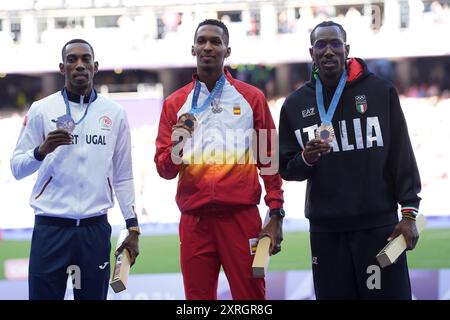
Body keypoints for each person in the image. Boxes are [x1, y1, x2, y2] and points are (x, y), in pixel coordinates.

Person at [278, 21, 421, 300]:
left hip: (379, 229)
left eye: (335, 43)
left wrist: (410, 212)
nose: (328, 51)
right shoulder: (294, 105)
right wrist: (306, 158)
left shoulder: (381, 92)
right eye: (321, 45)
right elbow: (286, 168)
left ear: (347, 49)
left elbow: (401, 154)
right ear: (312, 53)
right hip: (326, 233)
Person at [154, 19, 284, 300]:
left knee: (251, 300)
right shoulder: (175, 104)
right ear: (193, 50)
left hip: (241, 219)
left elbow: (269, 160)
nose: (208, 47)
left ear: (227, 51)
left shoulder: (252, 99)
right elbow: (164, 169)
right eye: (202, 41)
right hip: (195, 221)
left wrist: (276, 212)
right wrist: (179, 143)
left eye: (216, 42)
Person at [10, 39, 140, 300]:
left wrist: (132, 227)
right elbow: (16, 167)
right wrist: (41, 151)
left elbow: (123, 175)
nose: (79, 65)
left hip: (94, 231)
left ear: (95, 66)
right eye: (72, 60)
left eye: (85, 59)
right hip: (50, 229)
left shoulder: (114, 113)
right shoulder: (41, 110)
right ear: (62, 67)